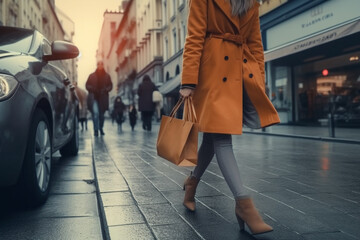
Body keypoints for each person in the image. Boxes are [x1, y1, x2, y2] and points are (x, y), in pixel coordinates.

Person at [179, 0, 280, 235]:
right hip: (211, 72)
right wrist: (188, 81)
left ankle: (191, 184)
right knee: (222, 139)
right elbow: (194, 37)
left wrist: (259, 83)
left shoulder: (250, 3)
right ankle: (244, 205)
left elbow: (256, 45)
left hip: (237, 72)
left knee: (212, 139)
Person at [86, 61, 113, 137]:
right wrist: (92, 89)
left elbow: (110, 86)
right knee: (96, 114)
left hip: (103, 98)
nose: (100, 66)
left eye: (102, 64)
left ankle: (101, 128)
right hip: (94, 98)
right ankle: (95, 130)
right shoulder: (92, 76)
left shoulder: (107, 76)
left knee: (101, 115)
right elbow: (87, 85)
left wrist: (106, 90)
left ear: (103, 65)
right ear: (97, 65)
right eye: (99, 64)